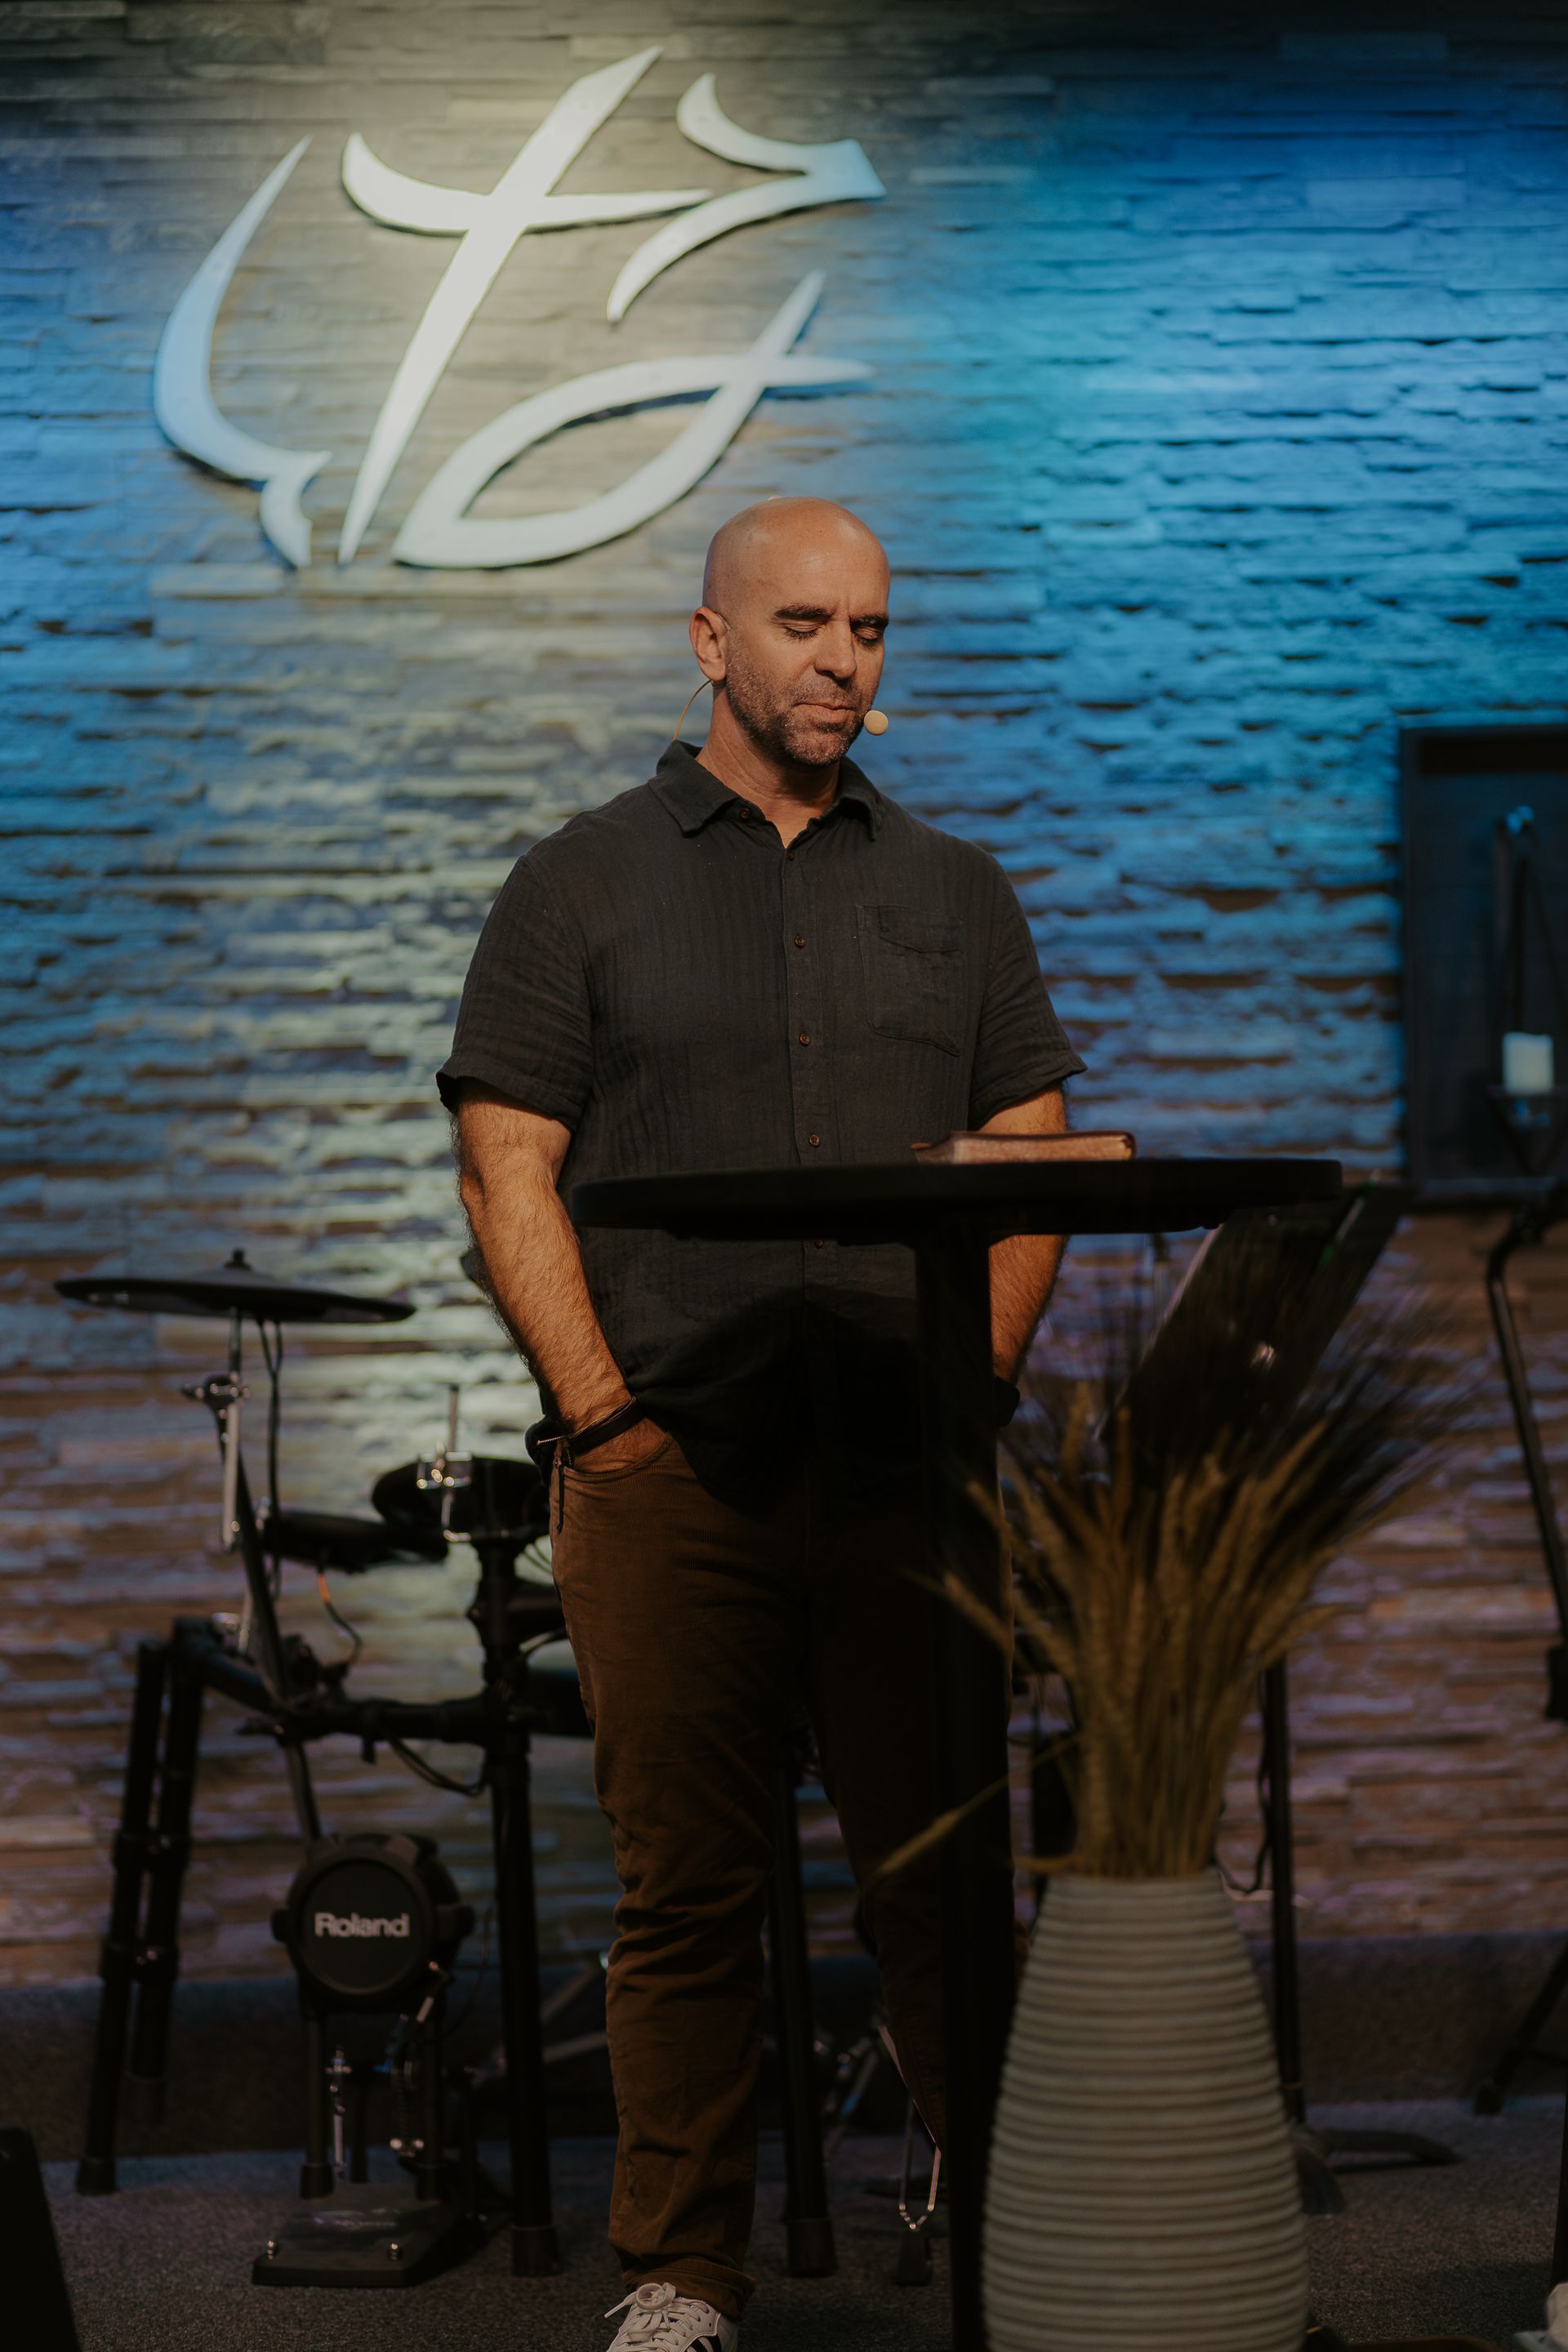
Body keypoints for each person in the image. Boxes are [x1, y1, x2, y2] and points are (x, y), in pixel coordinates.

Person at [439, 497, 1083, 2351]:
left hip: (907, 1472)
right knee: (688, 1897)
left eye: (872, 630)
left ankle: (1015, 2232)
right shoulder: (580, 881)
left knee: (947, 1882)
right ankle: (681, 2277)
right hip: (673, 1470)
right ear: (710, 642)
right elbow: (507, 1166)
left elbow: (1035, 1156)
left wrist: (978, 1394)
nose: (844, 662)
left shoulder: (956, 890)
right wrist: (604, 1423)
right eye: (805, 624)